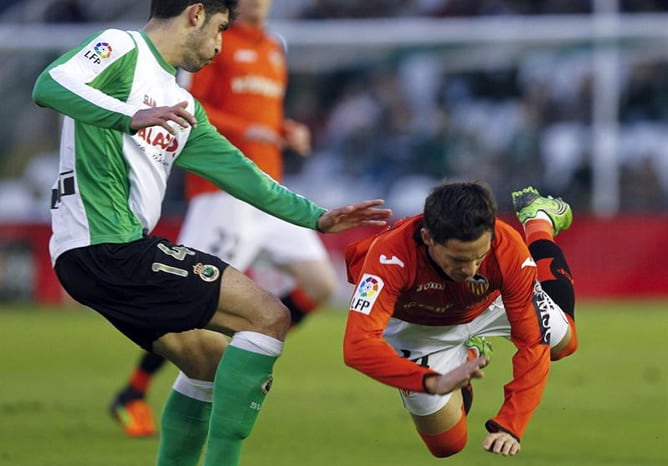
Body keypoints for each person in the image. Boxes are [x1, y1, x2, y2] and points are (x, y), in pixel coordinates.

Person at [31, 1, 392, 465]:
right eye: (220, 28)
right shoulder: (121, 46)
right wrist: (128, 116)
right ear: (195, 14)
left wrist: (316, 218)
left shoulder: (182, 105)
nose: (221, 44)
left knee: (210, 363)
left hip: (106, 255)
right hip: (106, 245)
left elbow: (241, 173)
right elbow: (50, 84)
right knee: (268, 315)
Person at [108, 0, 336, 438]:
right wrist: (243, 130)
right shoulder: (215, 45)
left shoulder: (273, 47)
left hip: (269, 192)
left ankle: (243, 344)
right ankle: (133, 393)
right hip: (223, 195)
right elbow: (188, 104)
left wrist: (286, 130)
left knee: (319, 284)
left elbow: (260, 114)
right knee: (187, 304)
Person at [343, 182, 578, 458]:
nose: (469, 270)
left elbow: (532, 342)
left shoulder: (506, 247)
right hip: (419, 330)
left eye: (479, 256)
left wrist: (511, 424)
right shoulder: (389, 258)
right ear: (428, 238)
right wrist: (429, 381)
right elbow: (358, 345)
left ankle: (539, 220)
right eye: (457, 259)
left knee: (563, 344)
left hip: (491, 304)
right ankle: (469, 352)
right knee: (447, 446)